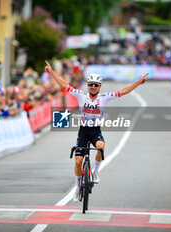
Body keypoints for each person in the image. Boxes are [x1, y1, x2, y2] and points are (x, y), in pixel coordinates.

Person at [45, 60, 148, 202]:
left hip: (95, 132)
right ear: (88, 85)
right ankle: (77, 188)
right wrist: (51, 73)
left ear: (99, 86)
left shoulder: (104, 98)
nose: (93, 87)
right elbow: (64, 85)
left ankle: (95, 172)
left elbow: (123, 91)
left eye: (96, 85)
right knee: (78, 161)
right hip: (83, 132)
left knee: (101, 147)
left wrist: (138, 82)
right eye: (91, 85)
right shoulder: (81, 95)